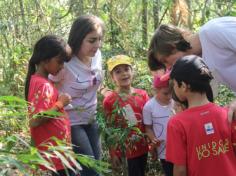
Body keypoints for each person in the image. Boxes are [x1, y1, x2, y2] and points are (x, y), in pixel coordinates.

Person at [148, 16, 236, 121]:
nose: (168, 67)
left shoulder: (213, 31)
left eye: (165, 61)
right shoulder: (202, 64)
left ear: (172, 46)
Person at [49, 15, 105, 176]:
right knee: (91, 171)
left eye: (99, 39)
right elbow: (48, 87)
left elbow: (94, 83)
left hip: (92, 119)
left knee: (97, 167)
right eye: (92, 40)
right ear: (79, 38)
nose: (97, 45)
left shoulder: (97, 55)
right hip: (72, 123)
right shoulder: (65, 63)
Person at [166, 55, 236, 176]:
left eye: (174, 83)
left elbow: (180, 170)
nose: (173, 87)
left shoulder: (177, 123)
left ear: (183, 85)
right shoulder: (228, 114)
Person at [25, 35, 76, 176]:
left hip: (57, 154)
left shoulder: (39, 81)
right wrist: (61, 103)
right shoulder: (42, 84)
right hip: (56, 156)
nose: (62, 66)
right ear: (45, 59)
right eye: (59, 62)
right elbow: (35, 120)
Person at [103, 55, 149, 176]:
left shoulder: (142, 94)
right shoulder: (110, 100)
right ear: (112, 77)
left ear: (132, 71)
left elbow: (150, 122)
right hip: (126, 150)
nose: (124, 74)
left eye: (126, 69)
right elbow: (110, 129)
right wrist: (113, 153)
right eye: (118, 71)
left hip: (143, 146)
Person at [143, 75, 173, 176]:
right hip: (164, 150)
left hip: (180, 146)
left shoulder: (176, 102)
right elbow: (148, 128)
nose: (169, 96)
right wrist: (153, 139)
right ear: (155, 90)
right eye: (165, 93)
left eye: (172, 92)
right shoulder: (149, 106)